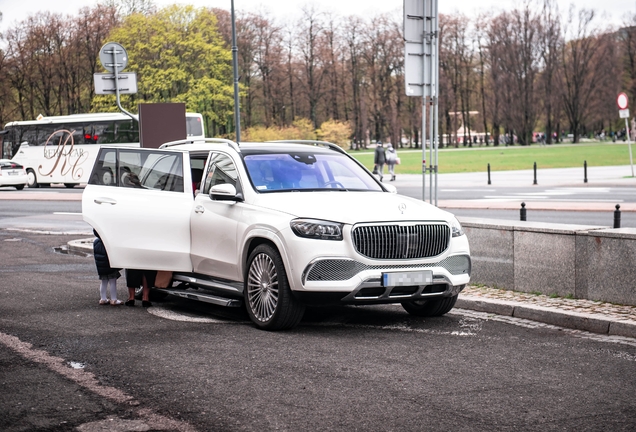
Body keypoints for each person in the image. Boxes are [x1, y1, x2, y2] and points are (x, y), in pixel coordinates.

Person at [93, 231, 122, 306]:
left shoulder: (96, 242)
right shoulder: (108, 242)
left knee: (104, 282)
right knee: (113, 282)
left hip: (101, 267)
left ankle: (103, 298)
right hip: (109, 266)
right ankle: (114, 299)